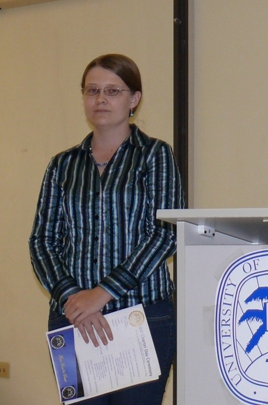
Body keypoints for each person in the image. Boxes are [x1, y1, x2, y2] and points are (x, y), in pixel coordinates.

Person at [29, 54, 183, 405]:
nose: (101, 99)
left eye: (113, 91)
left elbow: (165, 234)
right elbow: (42, 240)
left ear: (134, 99)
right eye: (92, 90)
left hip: (143, 316)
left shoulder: (155, 155)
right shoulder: (62, 164)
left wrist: (101, 293)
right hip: (72, 319)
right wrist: (73, 297)